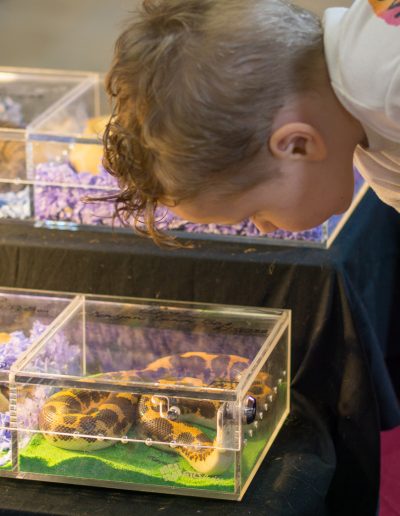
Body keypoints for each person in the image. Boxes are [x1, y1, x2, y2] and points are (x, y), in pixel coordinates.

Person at [102, 0, 400, 245]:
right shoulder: (352, 116)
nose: (264, 228)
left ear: (297, 146)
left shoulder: (388, 85)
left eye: (256, 212)